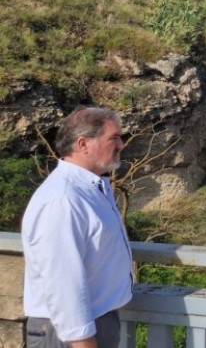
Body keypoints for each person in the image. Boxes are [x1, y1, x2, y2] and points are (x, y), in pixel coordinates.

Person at [22, 107, 133, 348]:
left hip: (90, 324)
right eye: (113, 138)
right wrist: (83, 342)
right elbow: (62, 280)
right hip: (69, 335)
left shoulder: (89, 189)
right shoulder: (63, 199)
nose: (122, 144)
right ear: (83, 144)